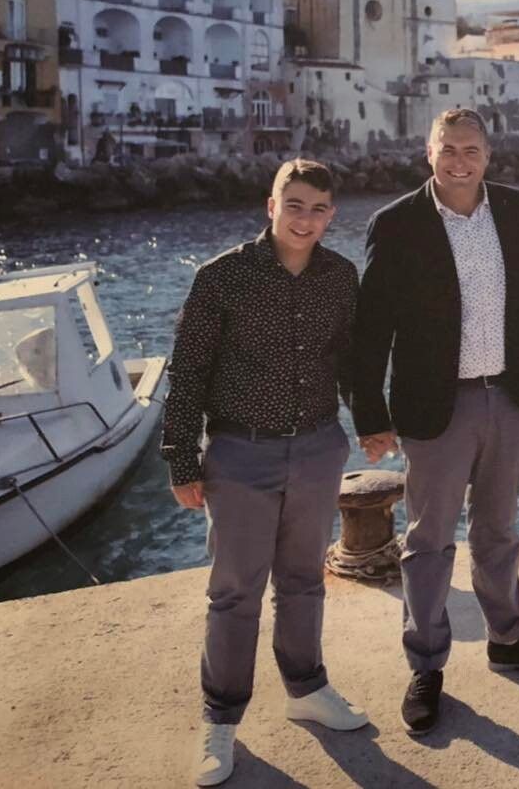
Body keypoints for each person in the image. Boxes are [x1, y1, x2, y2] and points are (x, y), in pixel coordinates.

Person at [352, 108, 519, 738]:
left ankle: (508, 638)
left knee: (499, 530)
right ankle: (426, 664)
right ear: (428, 153)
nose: (460, 162)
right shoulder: (395, 223)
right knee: (428, 541)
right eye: (448, 149)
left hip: (506, 395)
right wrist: (370, 414)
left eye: (472, 151)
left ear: (488, 155)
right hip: (434, 405)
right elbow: (371, 328)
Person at [162, 159, 367, 788]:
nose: (305, 219)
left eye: (318, 209)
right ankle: (220, 720)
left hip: (318, 449)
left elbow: (350, 361)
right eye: (294, 204)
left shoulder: (340, 275)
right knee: (234, 593)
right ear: (270, 205)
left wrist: (375, 423)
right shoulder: (221, 276)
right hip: (240, 453)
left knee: (304, 581)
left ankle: (306, 688)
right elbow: (188, 371)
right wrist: (181, 459)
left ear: (331, 216)